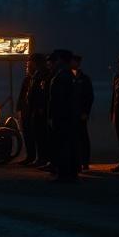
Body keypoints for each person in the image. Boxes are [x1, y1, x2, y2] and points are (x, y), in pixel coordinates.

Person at [47, 49, 79, 182]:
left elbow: (58, 99)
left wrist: (53, 116)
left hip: (61, 117)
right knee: (68, 145)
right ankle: (70, 173)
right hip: (68, 116)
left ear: (60, 60)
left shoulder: (62, 75)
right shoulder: (69, 75)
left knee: (62, 146)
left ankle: (64, 174)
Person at [16, 54, 42, 165]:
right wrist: (19, 109)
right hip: (26, 111)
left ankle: (38, 158)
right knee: (27, 134)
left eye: (29, 62)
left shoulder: (39, 77)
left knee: (36, 135)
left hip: (33, 111)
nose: (27, 65)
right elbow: (22, 95)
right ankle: (30, 156)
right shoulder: (28, 79)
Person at [28, 54, 52, 167]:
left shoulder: (43, 74)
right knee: (37, 135)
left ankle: (43, 158)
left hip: (39, 110)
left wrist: (41, 107)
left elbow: (42, 93)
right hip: (35, 108)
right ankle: (40, 158)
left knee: (42, 135)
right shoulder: (37, 74)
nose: (28, 63)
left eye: (30, 61)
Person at [72, 54, 94, 171]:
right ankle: (76, 161)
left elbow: (89, 97)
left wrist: (86, 112)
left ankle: (84, 162)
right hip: (71, 113)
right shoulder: (68, 77)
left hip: (80, 113)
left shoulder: (84, 79)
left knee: (83, 138)